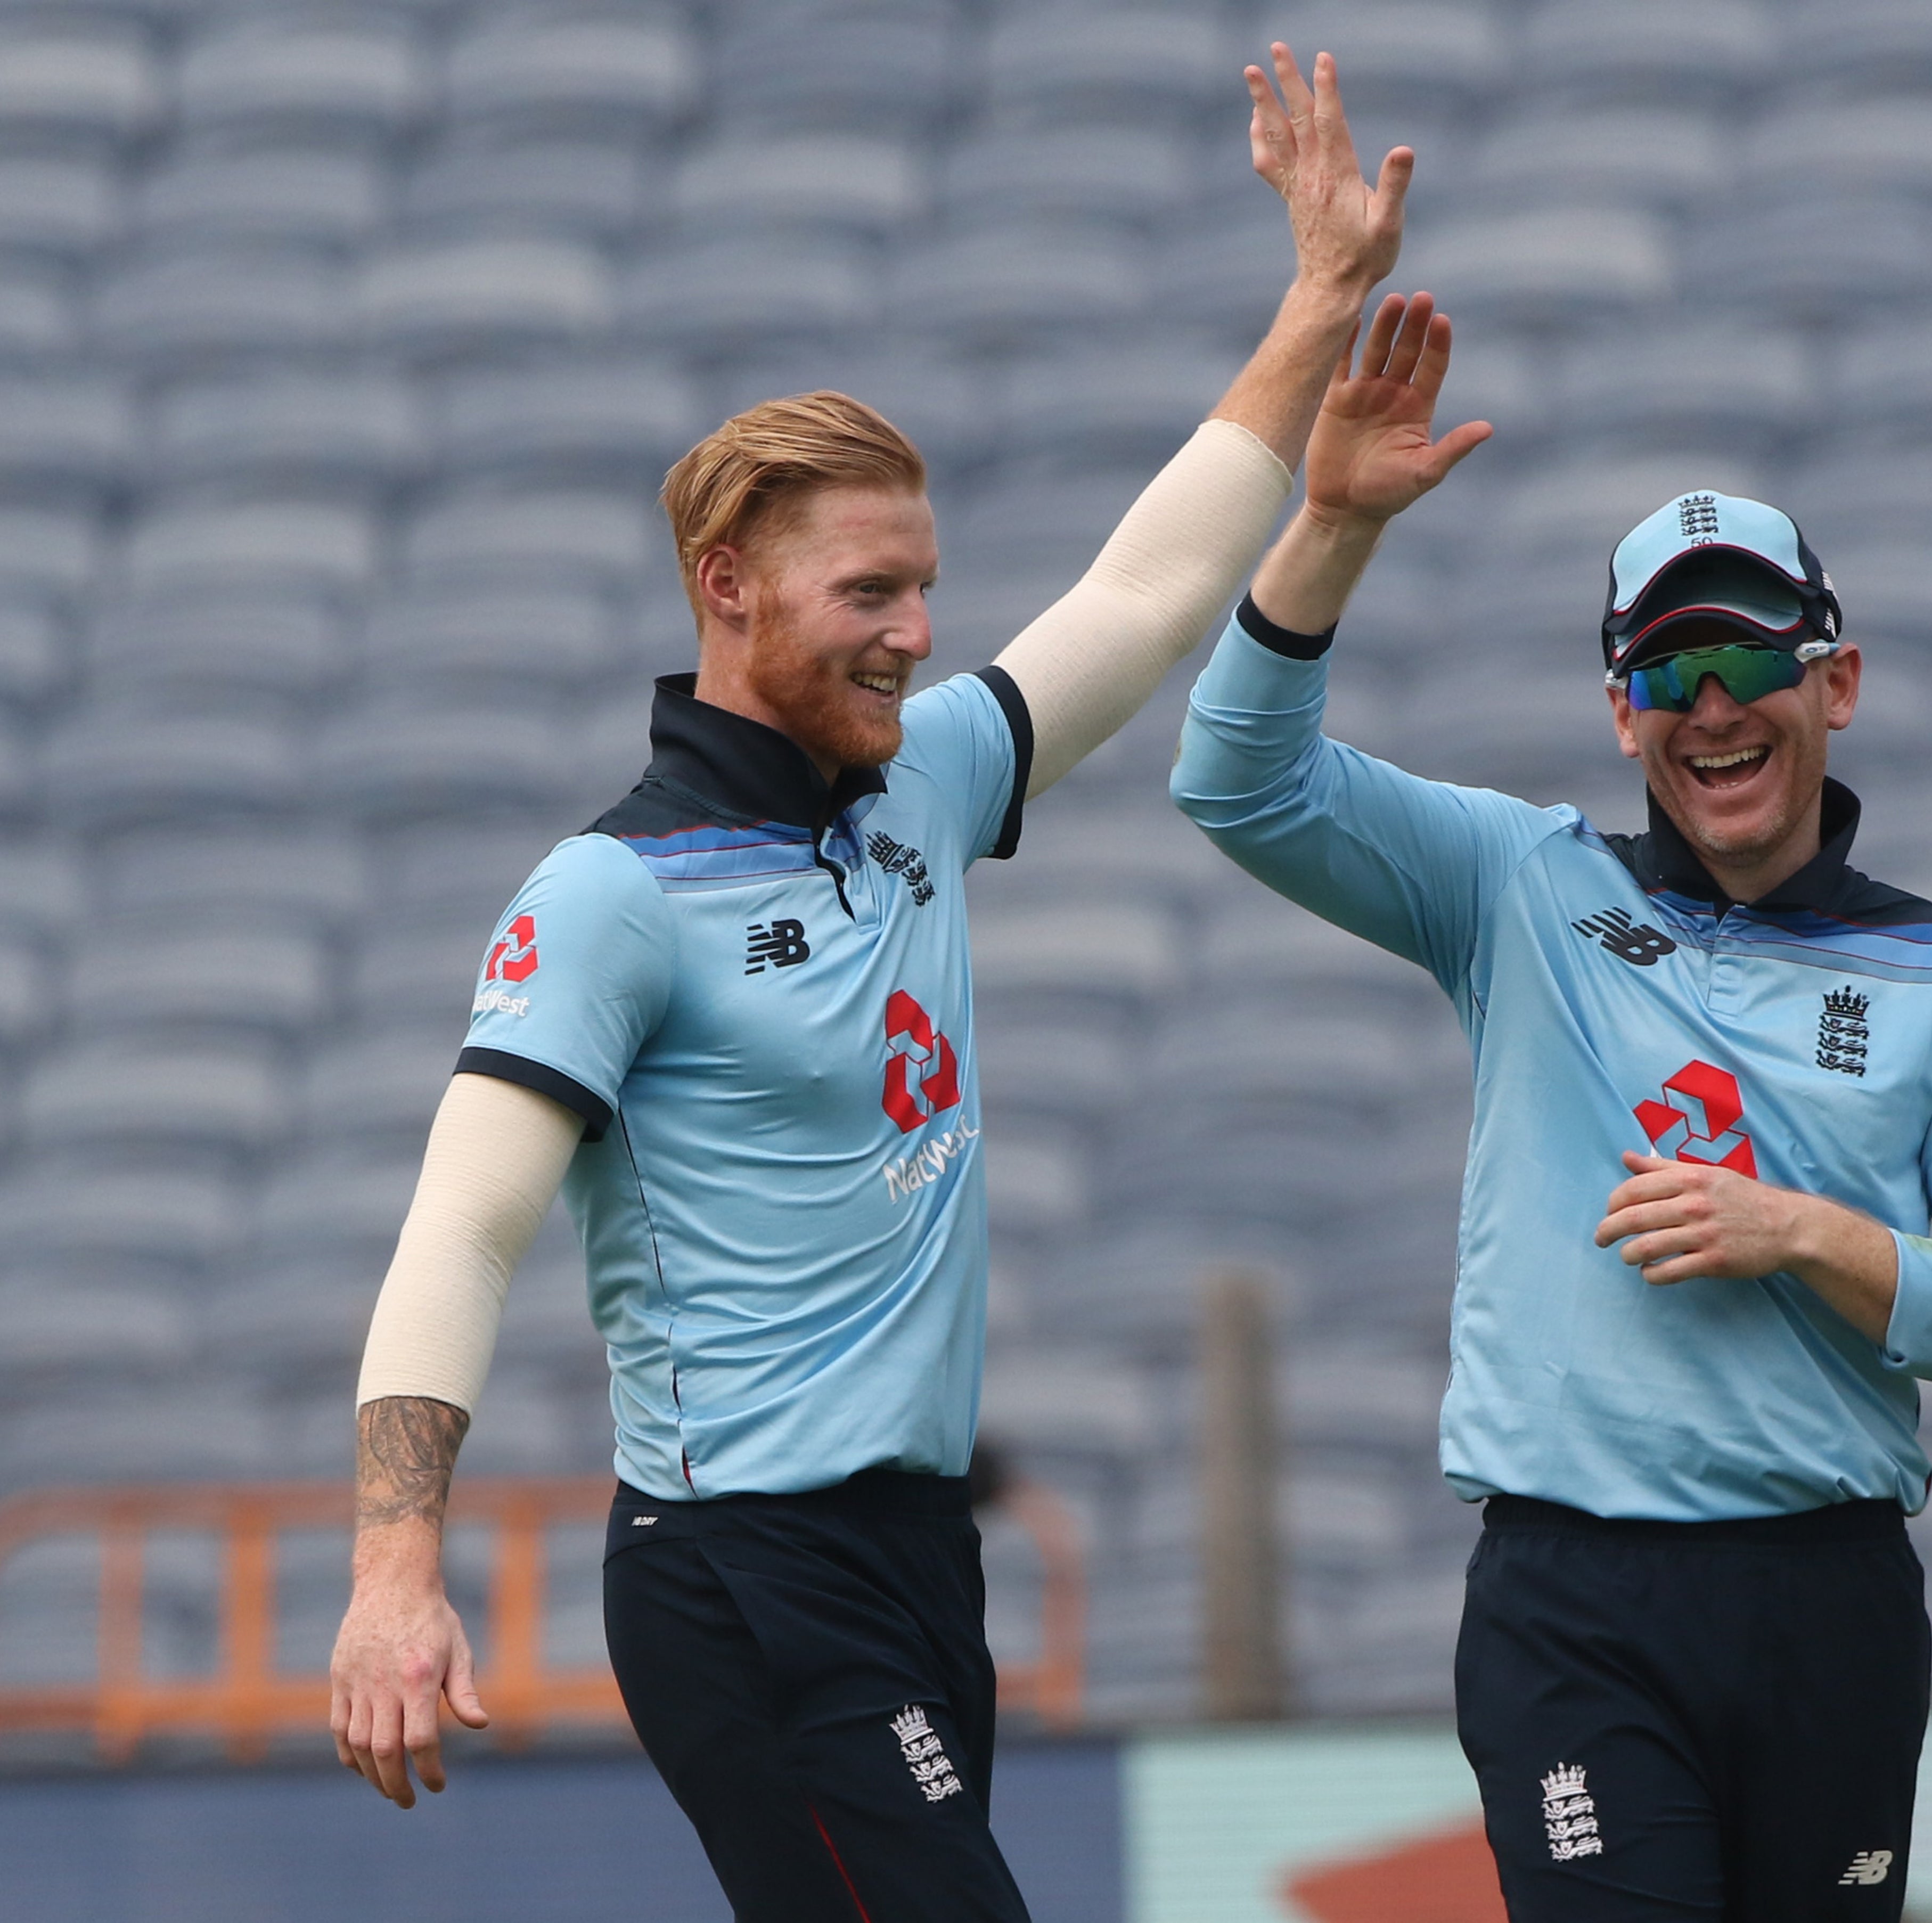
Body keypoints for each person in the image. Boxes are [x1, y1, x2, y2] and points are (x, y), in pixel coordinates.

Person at [328, 45, 1409, 1921]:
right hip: (743, 1567)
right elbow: (462, 1230)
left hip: (918, 1555)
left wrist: (1317, 303)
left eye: (924, 590)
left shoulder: (924, 784)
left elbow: (1144, 597)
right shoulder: (609, 895)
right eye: (867, 596)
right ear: (724, 584)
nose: (917, 636)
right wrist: (392, 1566)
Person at [1169, 298, 1932, 1918]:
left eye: (1750, 660)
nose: (1711, 704)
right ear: (1619, 710)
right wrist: (1326, 526)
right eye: (1668, 668)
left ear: (1839, 680)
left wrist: (1800, 1232)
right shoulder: (1519, 885)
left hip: (1829, 1599)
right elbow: (1235, 777)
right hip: (1571, 1595)